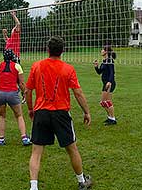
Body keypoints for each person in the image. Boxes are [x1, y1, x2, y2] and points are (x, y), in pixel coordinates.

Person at [25, 36, 92, 190]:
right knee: (72, 149)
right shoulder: (68, 69)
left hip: (41, 112)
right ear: (63, 51)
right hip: (61, 113)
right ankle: (81, 181)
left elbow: (28, 91)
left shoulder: (37, 66)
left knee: (36, 152)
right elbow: (78, 93)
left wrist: (30, 109)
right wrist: (86, 112)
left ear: (47, 50)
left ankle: (33, 187)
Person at [0, 49, 31, 146]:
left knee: (1, 116)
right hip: (12, 94)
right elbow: (21, 83)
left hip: (0, 93)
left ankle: (1, 139)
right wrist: (24, 93)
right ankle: (24, 138)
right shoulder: (17, 66)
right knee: (19, 116)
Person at [93, 45, 117, 125]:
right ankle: (109, 117)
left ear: (106, 51)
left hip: (110, 83)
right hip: (105, 83)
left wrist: (109, 82)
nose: (101, 51)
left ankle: (113, 119)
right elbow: (99, 72)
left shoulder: (110, 60)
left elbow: (112, 72)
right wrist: (96, 66)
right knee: (103, 102)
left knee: (108, 101)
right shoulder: (104, 61)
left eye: (102, 50)